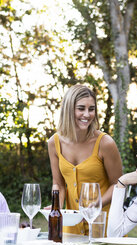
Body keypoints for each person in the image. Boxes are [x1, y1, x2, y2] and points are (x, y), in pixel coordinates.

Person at [47, 84, 122, 235]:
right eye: (81, 108)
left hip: (103, 226)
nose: (87, 114)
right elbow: (58, 184)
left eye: (91, 109)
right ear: (69, 110)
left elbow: (118, 185)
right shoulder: (54, 143)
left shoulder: (105, 143)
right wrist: (57, 207)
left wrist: (95, 205)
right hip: (72, 228)